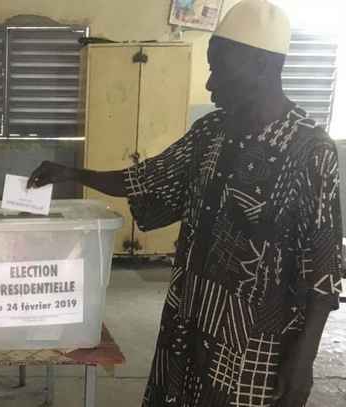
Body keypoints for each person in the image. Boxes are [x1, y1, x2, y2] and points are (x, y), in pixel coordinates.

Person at [28, 1, 343, 406]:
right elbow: (143, 180)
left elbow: (322, 271)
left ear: (261, 66)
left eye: (219, 68)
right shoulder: (210, 131)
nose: (210, 85)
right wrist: (73, 174)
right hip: (187, 320)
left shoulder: (311, 151)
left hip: (252, 345)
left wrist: (303, 361)